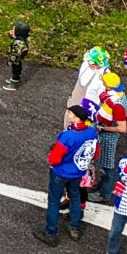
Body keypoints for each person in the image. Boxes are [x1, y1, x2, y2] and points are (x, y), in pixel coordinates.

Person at [35, 104, 99, 245]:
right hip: (78, 172)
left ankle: (51, 233)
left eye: (70, 113)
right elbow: (96, 153)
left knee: (53, 201)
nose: (67, 114)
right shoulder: (92, 132)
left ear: (76, 118)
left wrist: (52, 159)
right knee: (75, 196)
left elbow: (55, 159)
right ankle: (74, 227)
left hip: (61, 172)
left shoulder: (67, 136)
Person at [91, 70, 127, 199]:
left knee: (107, 166)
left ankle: (105, 193)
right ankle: (101, 187)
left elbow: (122, 128)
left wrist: (103, 128)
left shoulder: (117, 105)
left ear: (109, 86)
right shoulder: (116, 95)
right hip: (104, 132)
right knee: (103, 164)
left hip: (108, 137)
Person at [69, 46, 110, 115]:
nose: (88, 63)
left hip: (88, 107)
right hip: (75, 99)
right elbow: (81, 80)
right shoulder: (85, 64)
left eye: (91, 62)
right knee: (69, 119)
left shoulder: (106, 76)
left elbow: (101, 97)